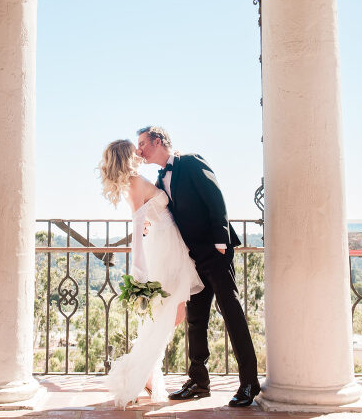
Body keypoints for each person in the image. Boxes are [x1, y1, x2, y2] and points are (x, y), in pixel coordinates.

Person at [136, 126, 260, 407]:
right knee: (195, 319)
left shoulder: (190, 162)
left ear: (157, 141)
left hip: (214, 252)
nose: (139, 150)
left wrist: (220, 239)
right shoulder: (158, 177)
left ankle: (249, 383)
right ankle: (199, 381)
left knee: (231, 314)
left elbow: (214, 197)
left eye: (142, 143)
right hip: (190, 257)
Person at [98, 139, 204, 408]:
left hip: (170, 243)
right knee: (169, 314)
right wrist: (139, 269)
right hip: (164, 248)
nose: (139, 150)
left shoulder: (137, 179)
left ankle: (144, 372)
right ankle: (138, 373)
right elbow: (136, 226)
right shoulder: (134, 183)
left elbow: (148, 214)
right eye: (135, 148)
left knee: (175, 313)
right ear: (127, 155)